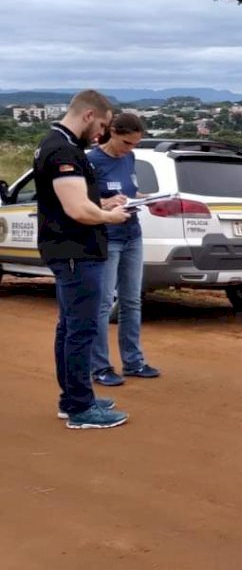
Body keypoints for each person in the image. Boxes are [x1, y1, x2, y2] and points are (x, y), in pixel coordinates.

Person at [34, 89, 131, 429]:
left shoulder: (59, 144)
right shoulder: (62, 150)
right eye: (102, 124)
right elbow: (76, 209)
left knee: (70, 327)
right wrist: (111, 217)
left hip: (71, 251)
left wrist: (101, 204)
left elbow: (70, 199)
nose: (101, 133)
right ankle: (80, 408)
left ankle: (73, 398)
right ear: (89, 115)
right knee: (82, 330)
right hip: (76, 252)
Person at [88, 113, 161, 386]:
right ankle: (100, 366)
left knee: (131, 300)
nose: (129, 149)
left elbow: (132, 191)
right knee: (105, 303)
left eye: (135, 144)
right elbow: (80, 200)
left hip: (132, 234)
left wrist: (147, 199)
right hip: (108, 237)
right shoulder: (92, 161)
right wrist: (104, 203)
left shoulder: (129, 159)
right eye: (126, 142)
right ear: (114, 133)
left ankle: (134, 361)